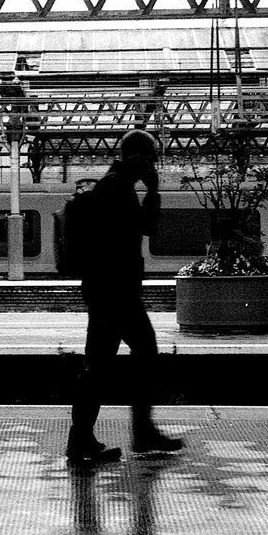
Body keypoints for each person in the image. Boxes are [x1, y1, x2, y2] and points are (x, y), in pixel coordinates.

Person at [67, 129, 185, 466]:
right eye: (150, 158)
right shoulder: (117, 188)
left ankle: (84, 440)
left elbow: (142, 228)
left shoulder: (116, 186)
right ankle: (137, 433)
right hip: (115, 292)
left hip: (108, 291)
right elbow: (147, 227)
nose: (153, 165)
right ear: (137, 156)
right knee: (139, 352)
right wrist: (154, 191)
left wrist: (151, 190)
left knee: (99, 366)